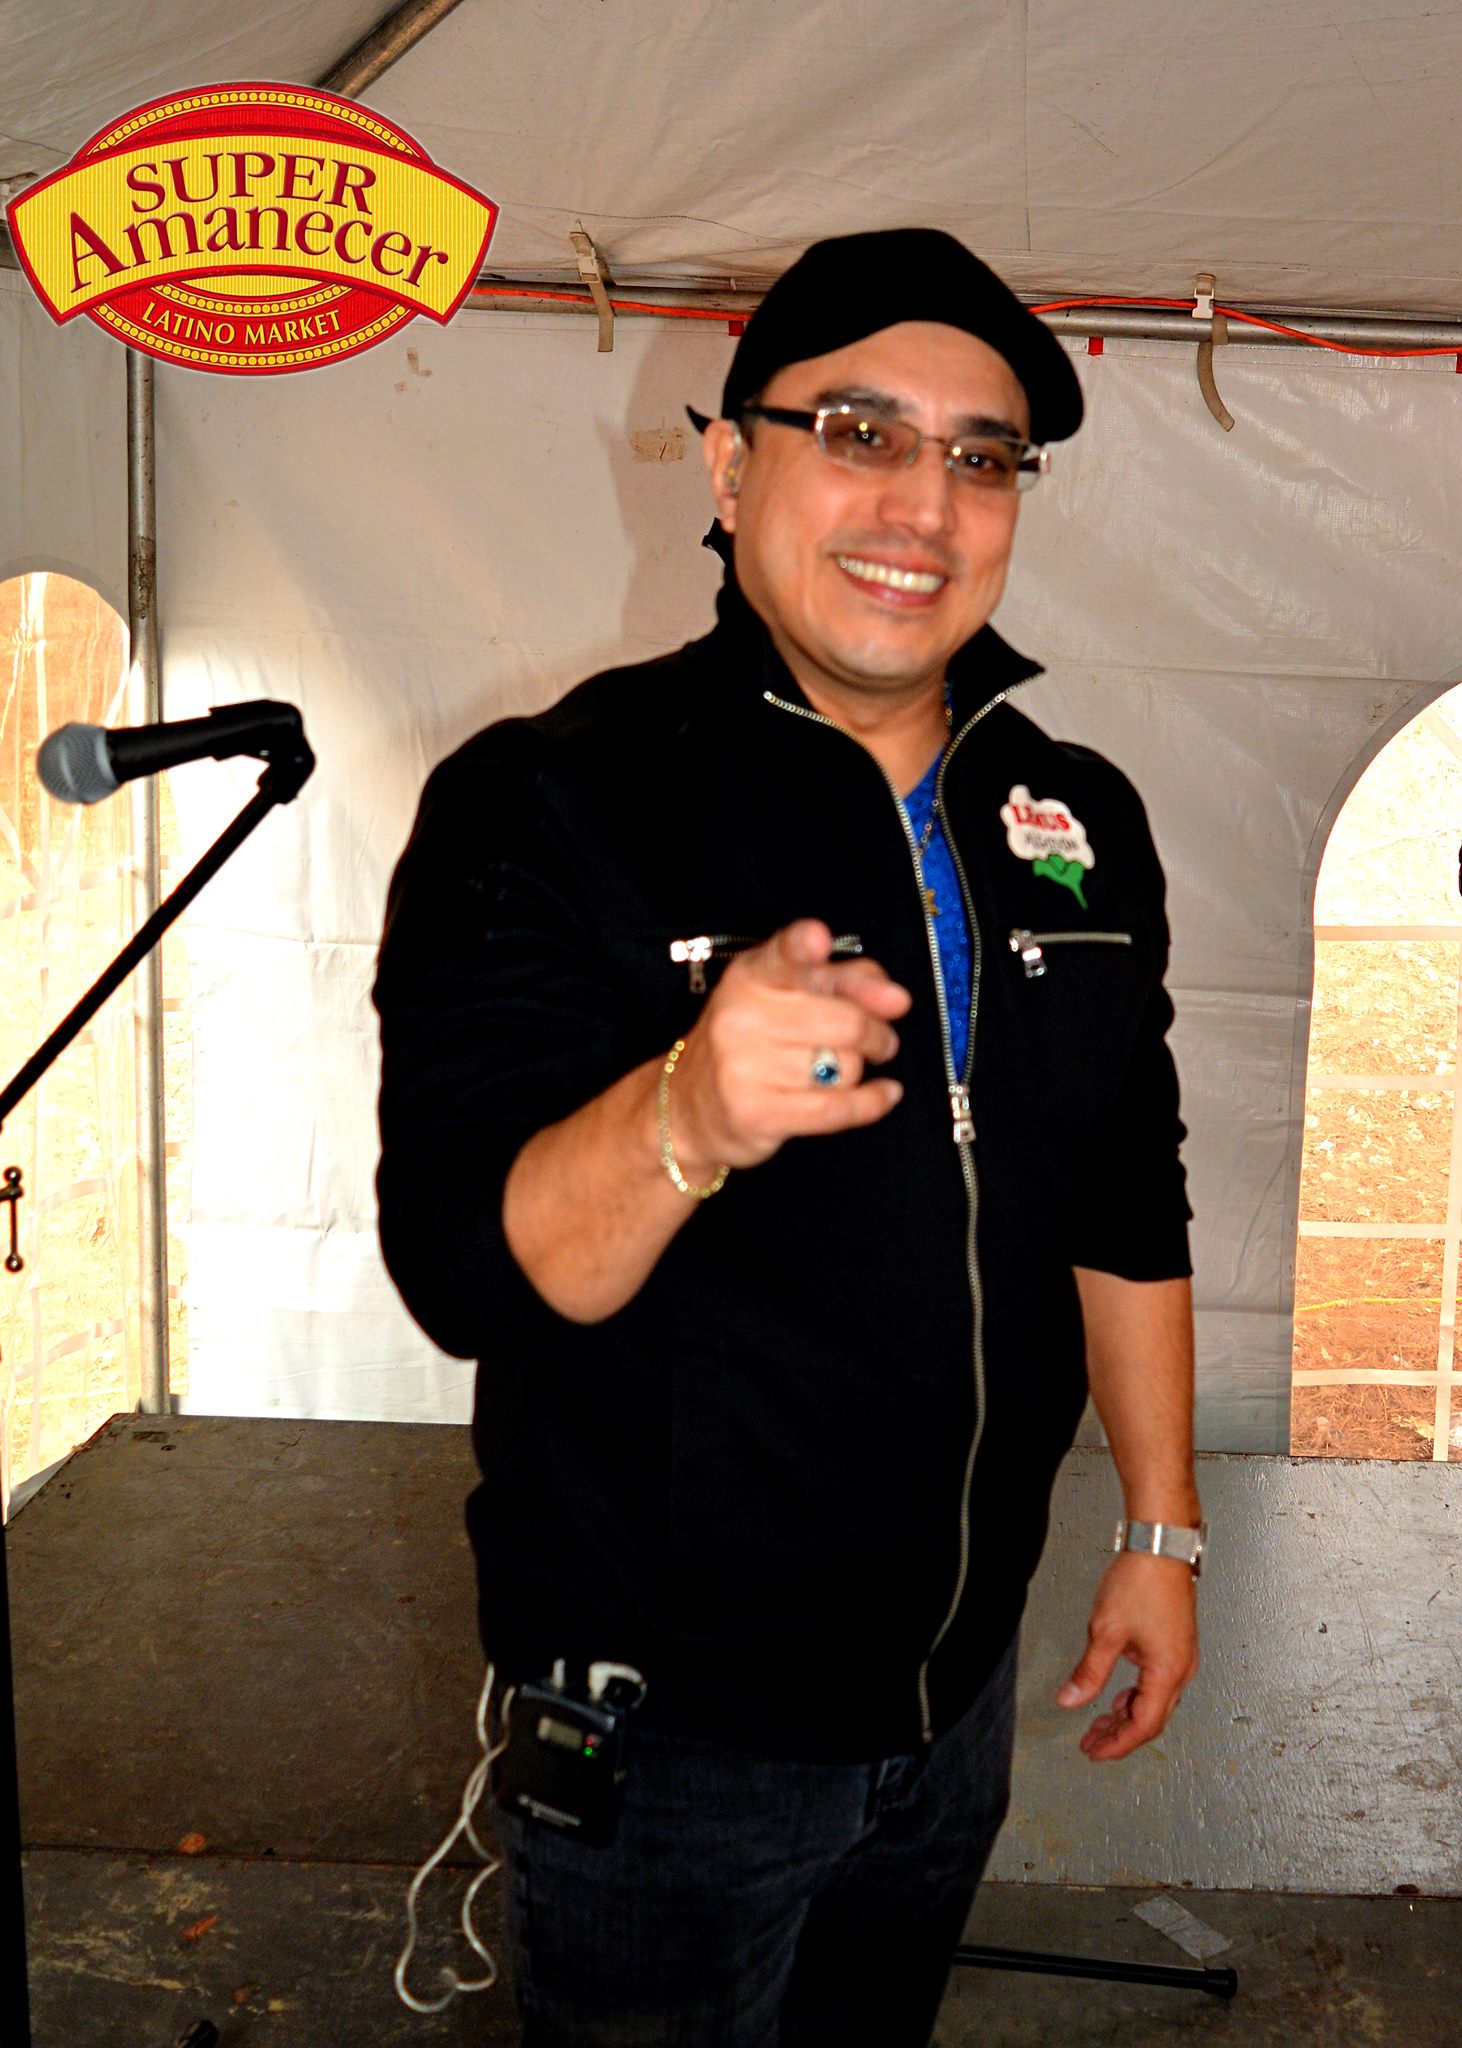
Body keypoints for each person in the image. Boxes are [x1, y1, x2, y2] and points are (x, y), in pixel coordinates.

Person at [374, 226, 1201, 2048]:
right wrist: (684, 1112)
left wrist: (1162, 1526)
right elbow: (461, 1268)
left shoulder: (1071, 813)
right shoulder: (550, 801)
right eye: (858, 433)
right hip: (672, 1732)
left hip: (958, 1692)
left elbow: (1124, 1189)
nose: (925, 503)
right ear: (730, 468)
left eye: (981, 457)